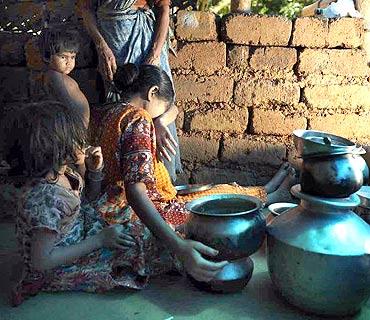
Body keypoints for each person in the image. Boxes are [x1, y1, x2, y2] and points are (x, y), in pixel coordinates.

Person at [93, 64, 295, 288]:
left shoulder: (109, 113)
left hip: (110, 202)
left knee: (212, 192)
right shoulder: (138, 120)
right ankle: (271, 195)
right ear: (152, 93)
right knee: (214, 204)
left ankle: (268, 191)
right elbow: (135, 192)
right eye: (161, 109)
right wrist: (178, 247)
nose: (160, 115)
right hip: (135, 208)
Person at [11, 101, 163, 306]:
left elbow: (86, 202)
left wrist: (94, 172)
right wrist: (99, 240)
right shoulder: (46, 200)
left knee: (135, 224)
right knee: (137, 248)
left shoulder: (63, 174)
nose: (82, 142)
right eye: (74, 138)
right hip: (59, 267)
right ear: (56, 147)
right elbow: (41, 261)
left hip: (78, 234)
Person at [77, 0, 181, 181]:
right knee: (124, 107)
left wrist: (154, 55)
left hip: (148, 40)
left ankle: (163, 179)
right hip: (114, 37)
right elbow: (86, 8)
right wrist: (101, 46)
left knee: (158, 103)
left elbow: (163, 7)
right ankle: (125, 179)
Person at [39, 27, 90, 128]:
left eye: (72, 57)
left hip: (74, 129)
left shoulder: (56, 77)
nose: (69, 63)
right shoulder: (55, 77)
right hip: (71, 130)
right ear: (47, 56)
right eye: (63, 57)